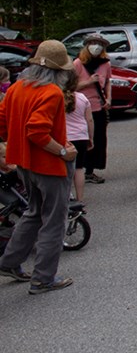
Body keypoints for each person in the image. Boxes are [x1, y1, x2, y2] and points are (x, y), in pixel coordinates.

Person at [0, 40, 77, 294]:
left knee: (33, 212)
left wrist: (13, 146)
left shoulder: (16, 87)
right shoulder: (51, 92)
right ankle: (43, 278)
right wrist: (64, 151)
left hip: (24, 163)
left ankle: (10, 262)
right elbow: (37, 131)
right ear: (60, 70)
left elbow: (3, 124)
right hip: (49, 165)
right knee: (53, 220)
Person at [73, 34, 112, 185]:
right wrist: (88, 82)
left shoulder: (105, 64)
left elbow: (108, 82)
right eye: (93, 43)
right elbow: (71, 87)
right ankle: (78, 169)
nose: (96, 46)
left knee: (98, 139)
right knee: (82, 140)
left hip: (98, 106)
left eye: (99, 44)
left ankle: (90, 170)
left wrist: (108, 98)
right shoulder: (78, 64)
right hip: (80, 107)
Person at [63, 71, 93, 203]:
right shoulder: (82, 98)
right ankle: (80, 198)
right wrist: (90, 137)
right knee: (79, 168)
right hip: (81, 136)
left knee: (65, 169)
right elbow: (89, 120)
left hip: (65, 137)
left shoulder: (59, 98)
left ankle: (66, 195)